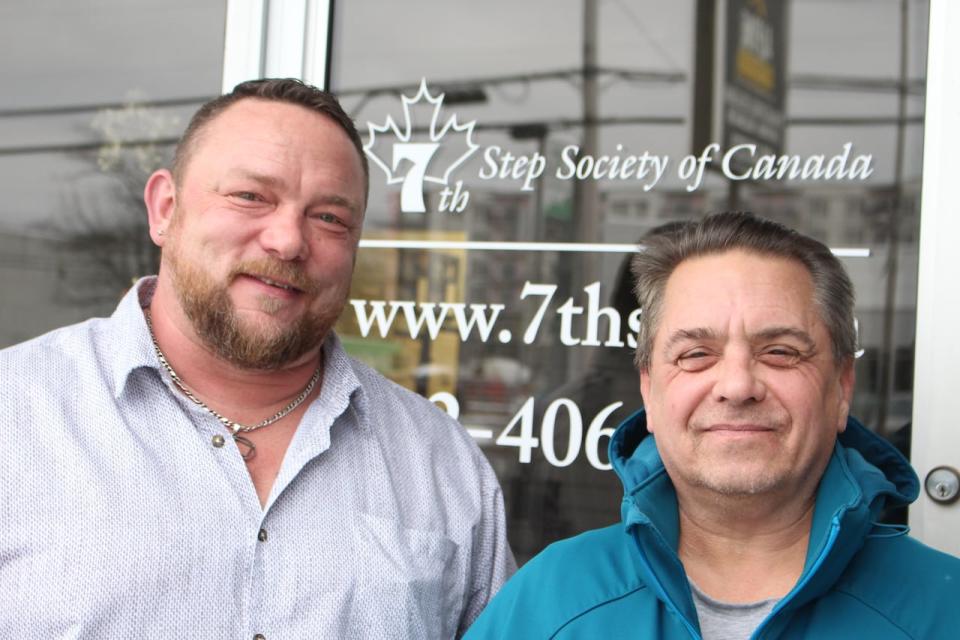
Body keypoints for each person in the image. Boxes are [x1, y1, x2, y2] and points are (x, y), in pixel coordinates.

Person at [0, 78, 514, 639]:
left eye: (329, 218)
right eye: (251, 197)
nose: (288, 240)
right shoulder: (17, 415)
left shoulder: (441, 463)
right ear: (165, 209)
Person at [466, 212, 960, 639]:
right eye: (696, 354)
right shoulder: (550, 603)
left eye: (780, 352)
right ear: (649, 392)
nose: (737, 385)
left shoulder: (942, 613)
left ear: (842, 388)